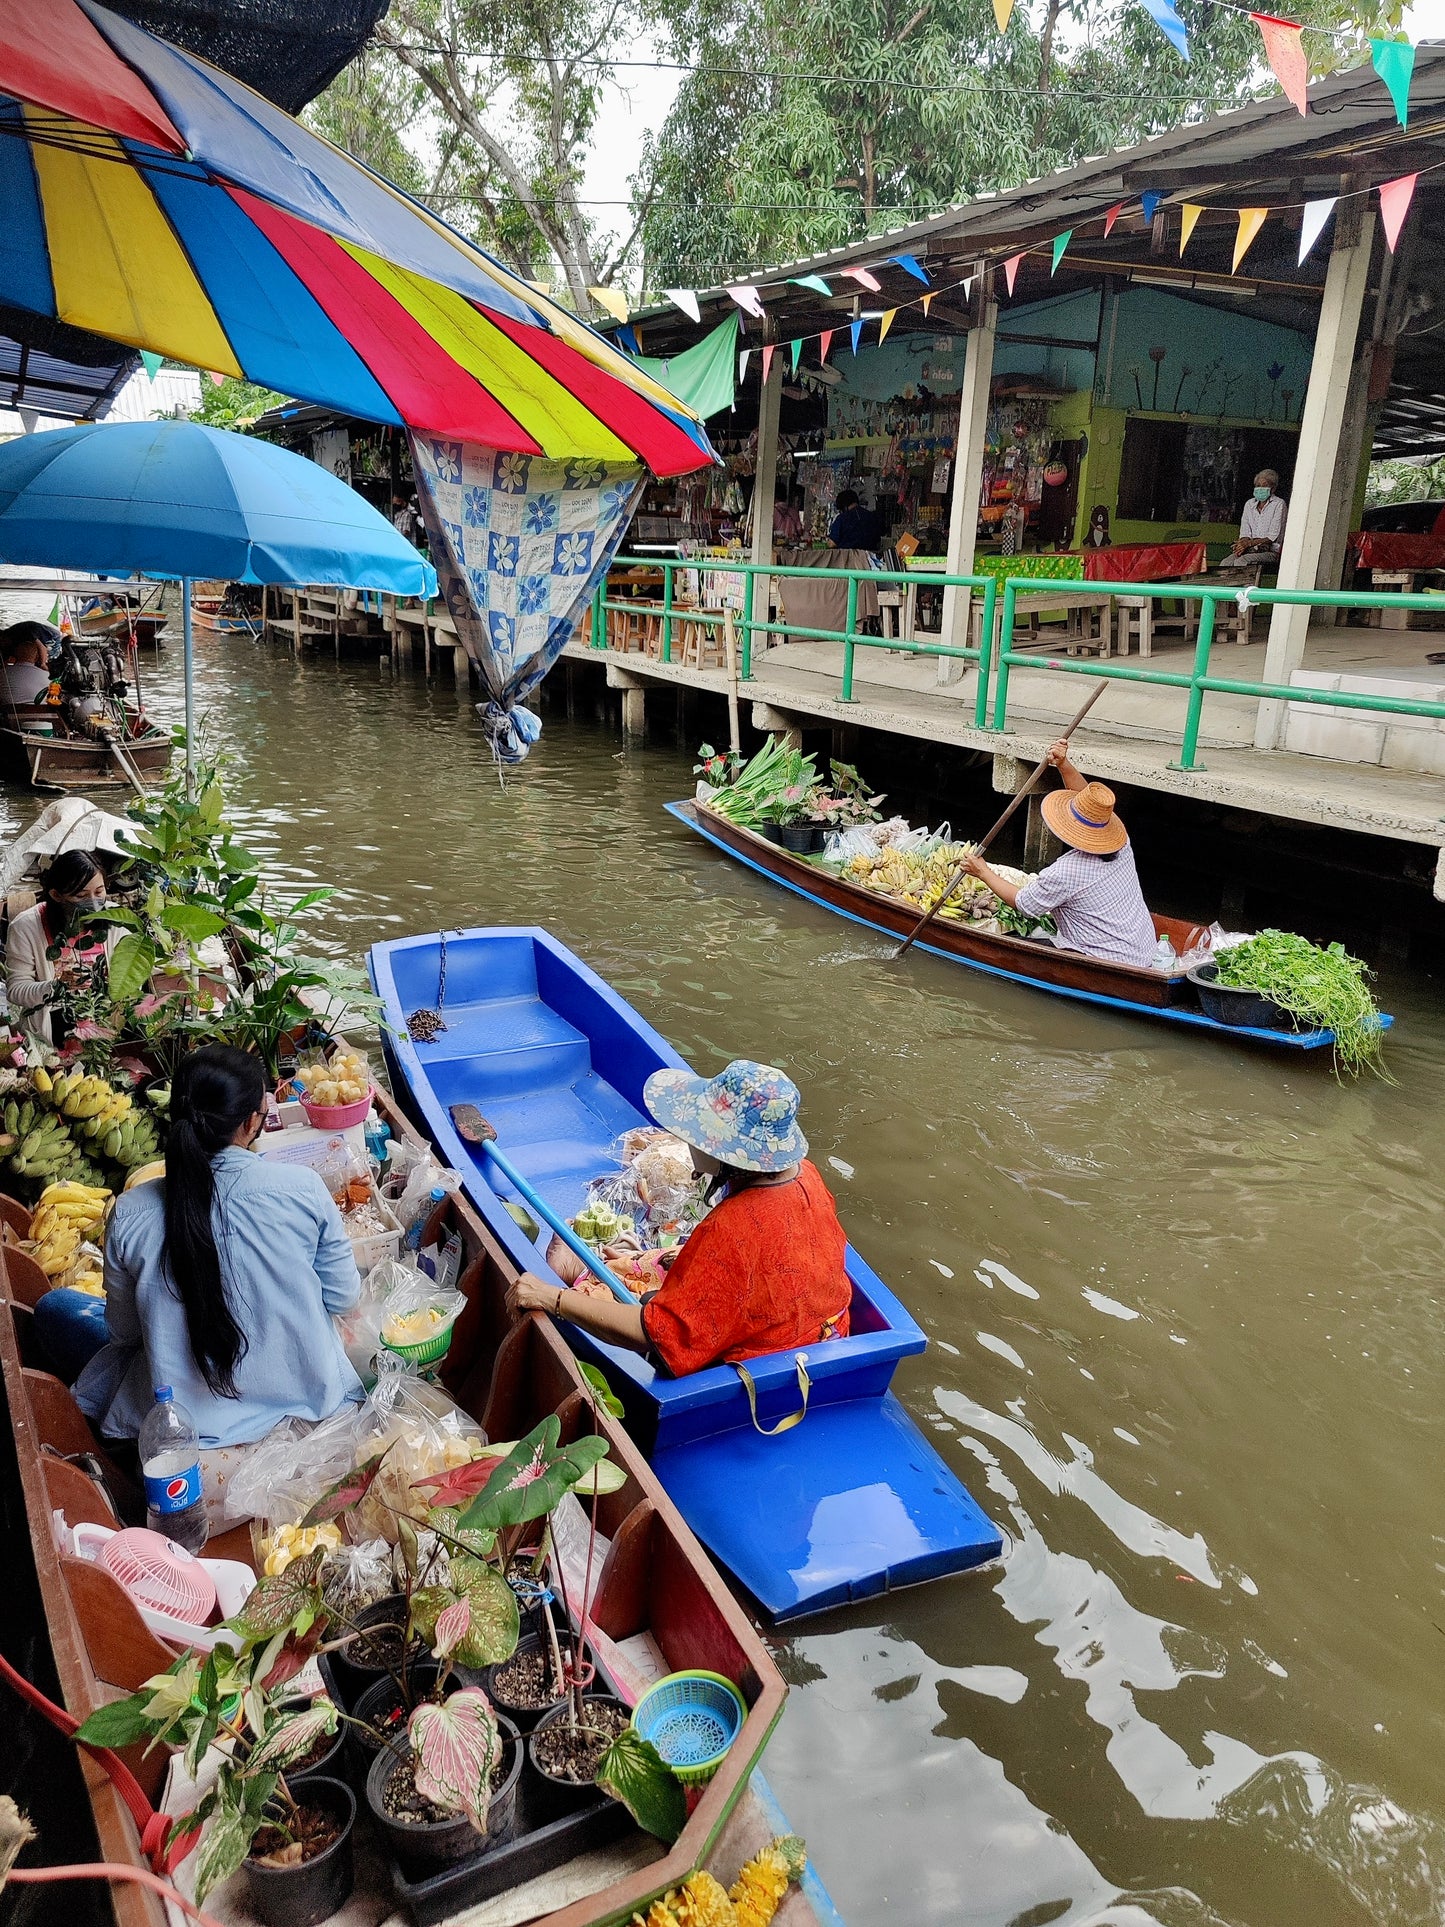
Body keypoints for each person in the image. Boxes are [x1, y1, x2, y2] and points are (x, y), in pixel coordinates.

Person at [75, 1046, 363, 1530]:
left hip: (192, 1453)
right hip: (307, 1418)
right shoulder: (303, 1189)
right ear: (253, 1121)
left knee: (60, 1309)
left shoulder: (131, 1211)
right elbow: (344, 1299)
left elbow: (123, 1333)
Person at [506, 1060, 851, 1377]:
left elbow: (658, 1336)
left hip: (762, 1368)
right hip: (824, 1334)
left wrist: (552, 1298)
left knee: (623, 1300)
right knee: (656, 1263)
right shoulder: (806, 1174)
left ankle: (573, 1276)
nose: (688, 1140)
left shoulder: (730, 1228)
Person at [960, 743, 1158, 967]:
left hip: (1104, 961)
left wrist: (983, 872)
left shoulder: (1067, 871)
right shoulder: (1122, 846)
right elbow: (1085, 800)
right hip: (1144, 953)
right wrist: (1064, 766)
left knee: (1011, 944)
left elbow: (1023, 903)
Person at [5, 849, 118, 1045]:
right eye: (81, 895)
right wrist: (56, 987)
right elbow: (16, 990)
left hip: (105, 1024)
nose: (93, 902)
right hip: (52, 1032)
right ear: (56, 895)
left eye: (99, 892)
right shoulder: (25, 927)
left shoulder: (116, 920)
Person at [1224, 469, 1287, 566]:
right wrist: (1242, 545)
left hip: (1270, 551)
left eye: (1265, 486)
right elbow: (1245, 532)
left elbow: (1272, 536)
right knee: (1226, 562)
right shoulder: (1249, 504)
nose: (1260, 488)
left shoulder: (1279, 504)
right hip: (1249, 550)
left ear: (1273, 488)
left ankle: (1245, 582)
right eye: (1258, 486)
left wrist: (1249, 544)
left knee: (1242, 561)